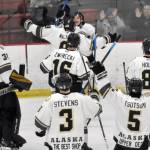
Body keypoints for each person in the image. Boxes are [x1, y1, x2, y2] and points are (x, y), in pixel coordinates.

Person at [90, 61, 150, 150]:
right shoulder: (148, 102)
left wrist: (100, 73)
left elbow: (104, 90)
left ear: (129, 88)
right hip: (141, 145)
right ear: (141, 89)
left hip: (122, 144)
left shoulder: (121, 99)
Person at [35, 73, 102, 150]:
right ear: (70, 83)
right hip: (77, 145)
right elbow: (98, 108)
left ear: (57, 84)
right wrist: (94, 95)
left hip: (55, 145)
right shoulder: (81, 98)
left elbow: (39, 125)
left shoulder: (50, 100)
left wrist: (41, 131)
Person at [0, 45, 32, 149]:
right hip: (3, 94)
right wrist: (21, 81)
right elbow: (6, 75)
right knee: (11, 115)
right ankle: (7, 140)